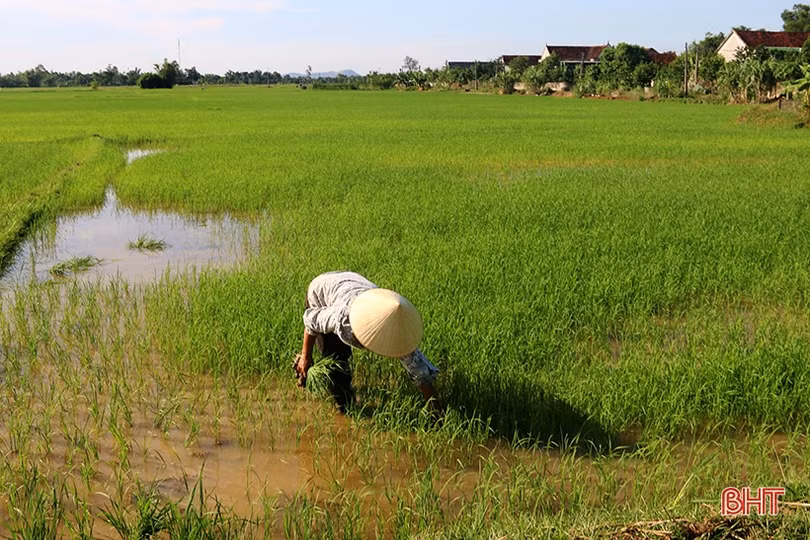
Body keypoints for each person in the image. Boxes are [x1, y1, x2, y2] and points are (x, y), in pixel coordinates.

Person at [294, 271, 439, 411]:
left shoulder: (397, 331)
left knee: (340, 358)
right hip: (322, 290)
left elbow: (419, 370)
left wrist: (435, 408)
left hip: (353, 283)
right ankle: (346, 406)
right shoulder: (344, 320)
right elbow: (310, 319)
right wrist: (306, 356)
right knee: (337, 362)